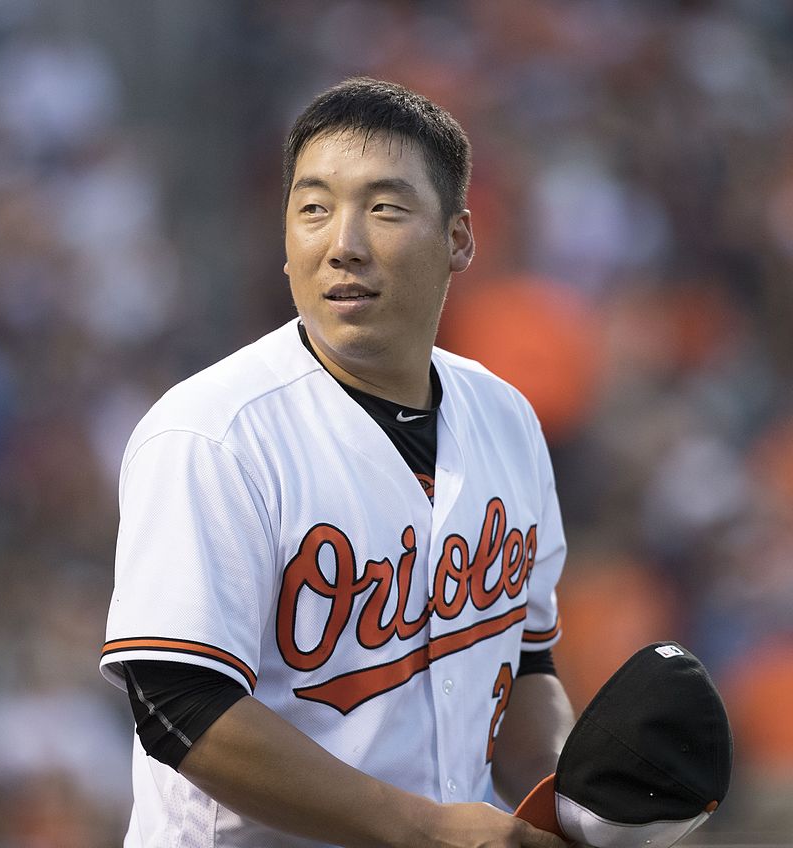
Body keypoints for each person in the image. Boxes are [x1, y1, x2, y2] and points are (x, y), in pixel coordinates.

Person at [100, 77, 576, 848]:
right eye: (313, 208)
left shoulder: (507, 417)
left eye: (384, 208)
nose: (342, 241)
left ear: (458, 239)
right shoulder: (211, 433)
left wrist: (578, 793)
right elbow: (175, 704)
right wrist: (424, 829)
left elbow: (525, 657)